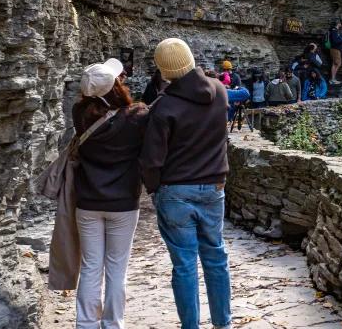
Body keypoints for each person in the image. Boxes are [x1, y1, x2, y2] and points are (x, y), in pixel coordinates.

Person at [140, 38, 231, 329]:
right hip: (214, 185)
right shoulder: (220, 92)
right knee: (216, 256)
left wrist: (153, 189)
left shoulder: (164, 107)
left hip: (175, 190)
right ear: (191, 59)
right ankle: (223, 324)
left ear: (163, 71)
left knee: (184, 264)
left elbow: (152, 159)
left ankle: (190, 326)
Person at [72, 57, 148, 329]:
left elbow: (96, 108)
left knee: (91, 266)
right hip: (124, 202)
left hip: (88, 201)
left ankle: (85, 324)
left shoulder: (78, 114)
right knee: (117, 268)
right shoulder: (137, 116)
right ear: (117, 85)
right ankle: (113, 323)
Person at [327, 20, 342, 85]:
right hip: (335, 49)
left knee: (335, 64)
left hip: (334, 49)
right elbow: (335, 41)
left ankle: (332, 79)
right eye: (340, 23)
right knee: (337, 64)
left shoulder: (334, 30)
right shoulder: (334, 31)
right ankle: (332, 79)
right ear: (338, 24)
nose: (341, 24)